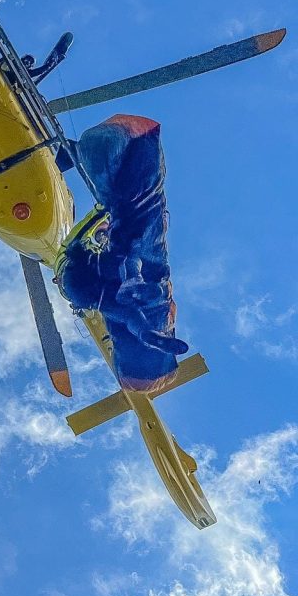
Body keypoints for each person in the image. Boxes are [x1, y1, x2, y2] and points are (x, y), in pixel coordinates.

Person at [55, 115, 188, 391]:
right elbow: (130, 315)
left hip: (133, 142)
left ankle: (72, 153)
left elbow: (136, 314)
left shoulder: (152, 302)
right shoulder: (125, 301)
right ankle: (73, 153)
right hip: (124, 147)